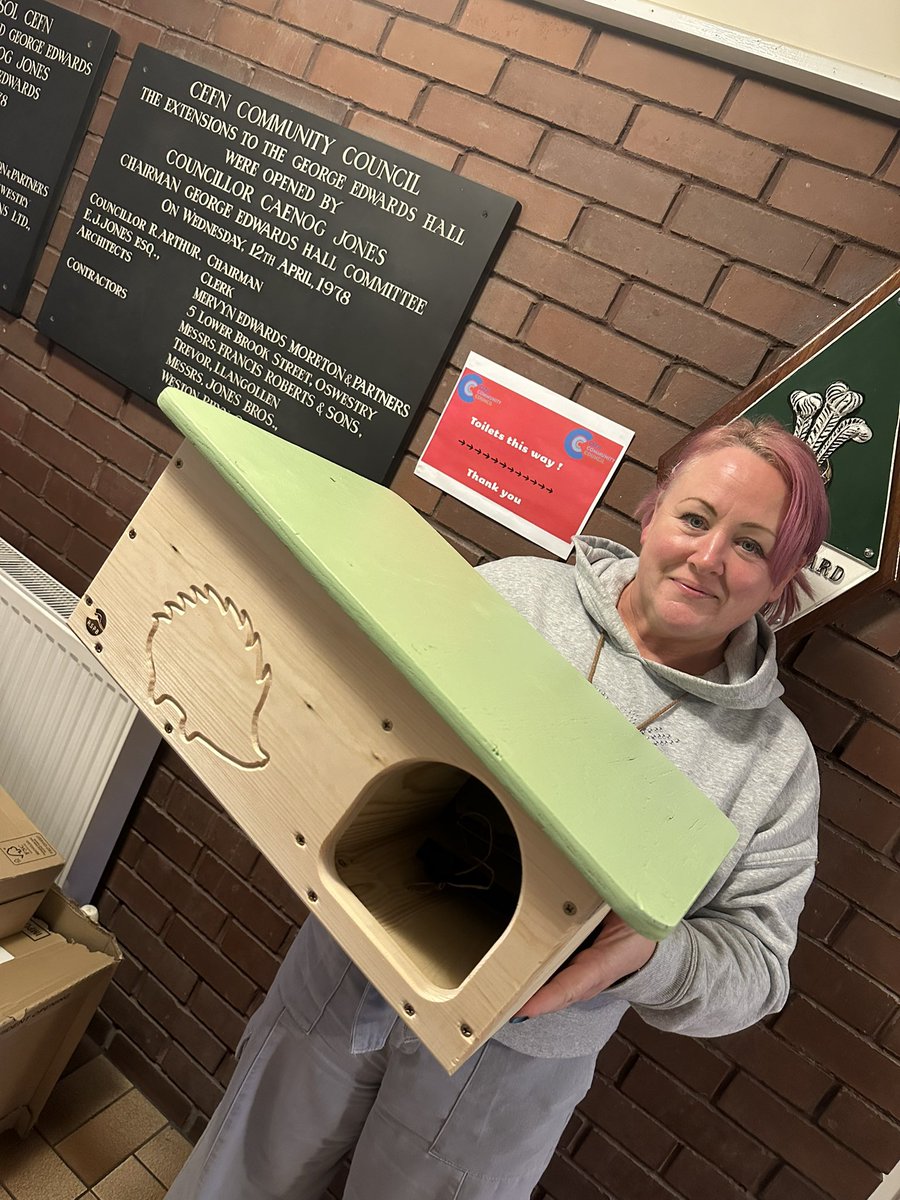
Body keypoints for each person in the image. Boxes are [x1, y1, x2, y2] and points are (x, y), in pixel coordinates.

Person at [167, 417, 830, 1200]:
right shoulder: (515, 596)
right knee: (241, 1175)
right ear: (652, 512)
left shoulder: (774, 762)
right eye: (695, 518)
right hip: (352, 954)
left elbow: (756, 966)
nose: (709, 557)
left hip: (518, 1054)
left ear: (782, 582)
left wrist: (651, 954)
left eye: (752, 546)